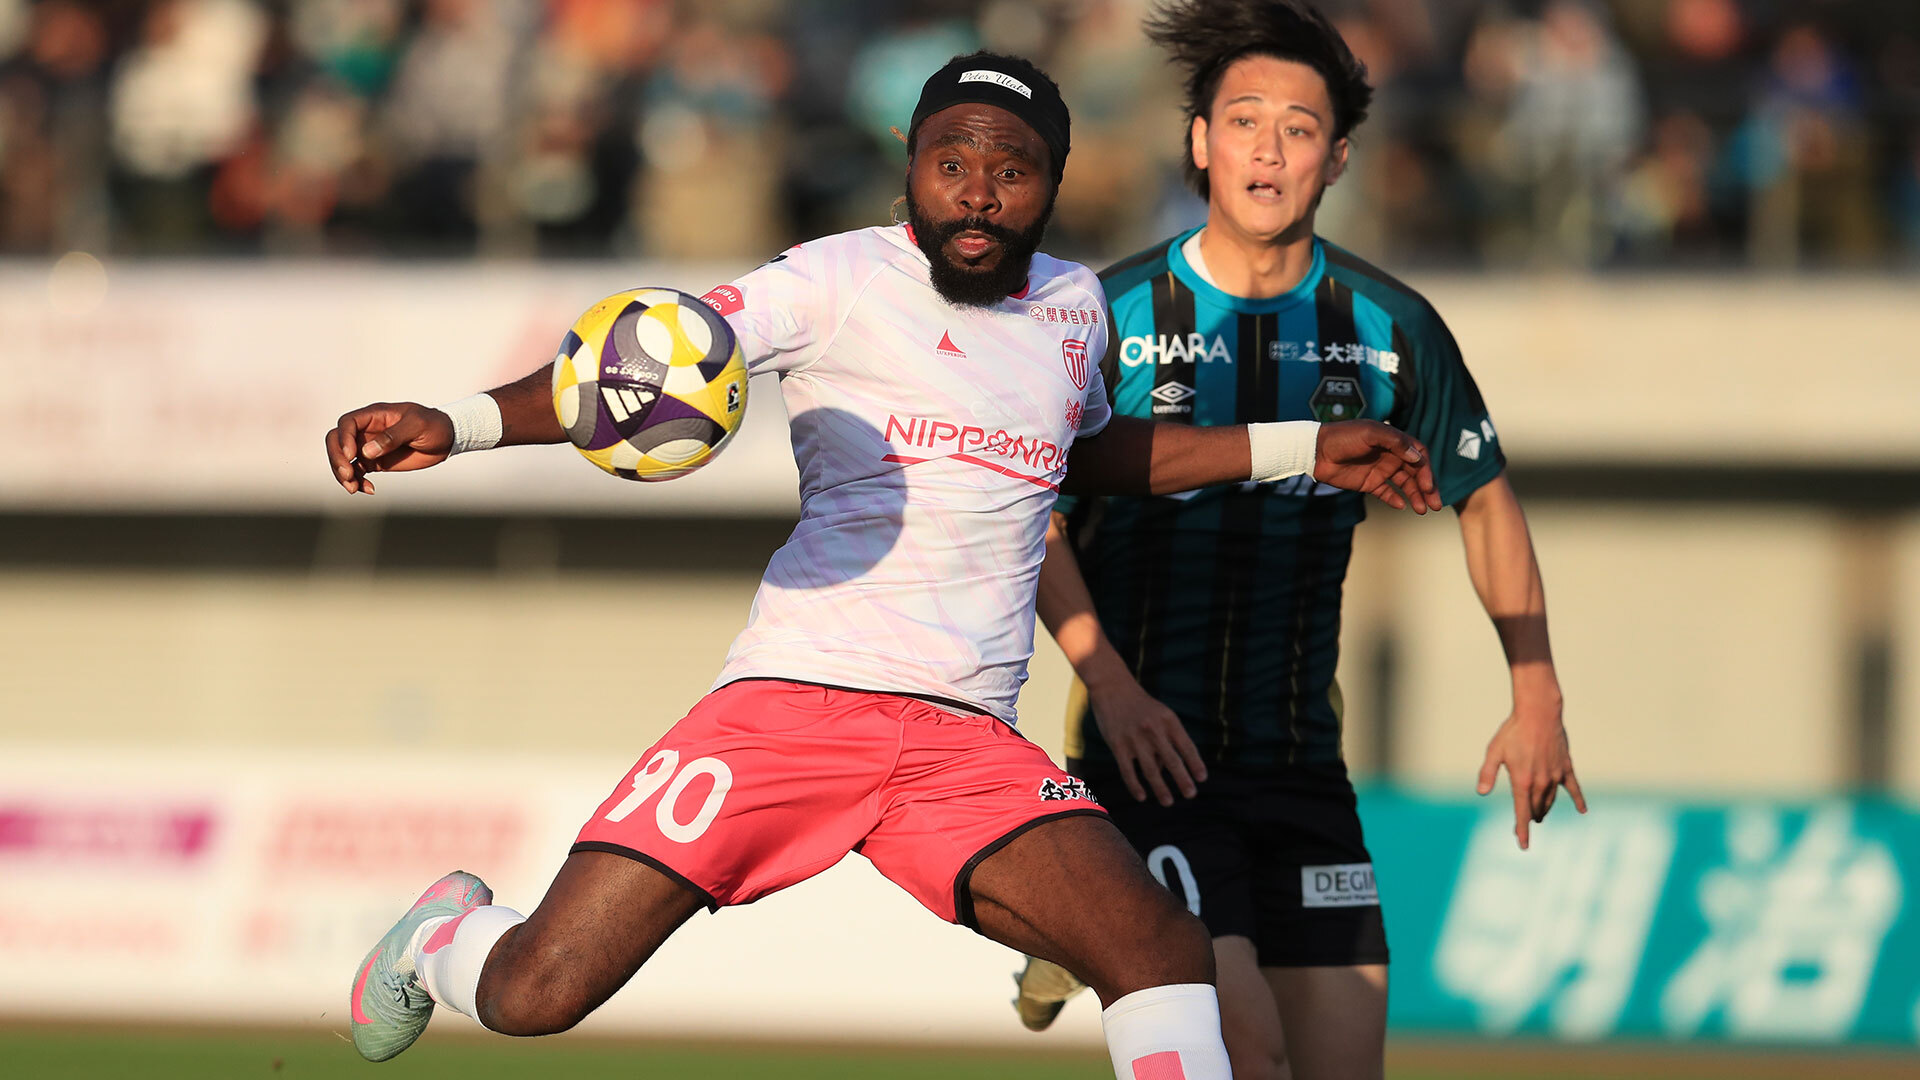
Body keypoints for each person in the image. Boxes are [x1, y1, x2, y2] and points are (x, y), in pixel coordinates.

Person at [324, 52, 1441, 1080]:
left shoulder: (1073, 307)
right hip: (791, 706)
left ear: (1052, 183)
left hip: (965, 746)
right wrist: (458, 423)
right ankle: (442, 936)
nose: (978, 193)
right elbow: (644, 366)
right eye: (951, 163)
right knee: (534, 994)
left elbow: (1091, 452)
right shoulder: (837, 277)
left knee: (1160, 950)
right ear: (911, 165)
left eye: (1011, 170)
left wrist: (1300, 447)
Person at [1008, 4, 1584, 1079]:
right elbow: (1035, 518)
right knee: (1249, 1057)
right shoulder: (1105, 315)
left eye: (1299, 128)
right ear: (1199, 143)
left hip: (1304, 768)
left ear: (1339, 157)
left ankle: (1076, 935)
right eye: (1243, 121)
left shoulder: (1391, 326)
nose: (1267, 150)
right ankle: (1093, 905)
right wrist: (1110, 686)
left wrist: (1536, 689)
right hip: (1150, 759)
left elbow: (1484, 496)